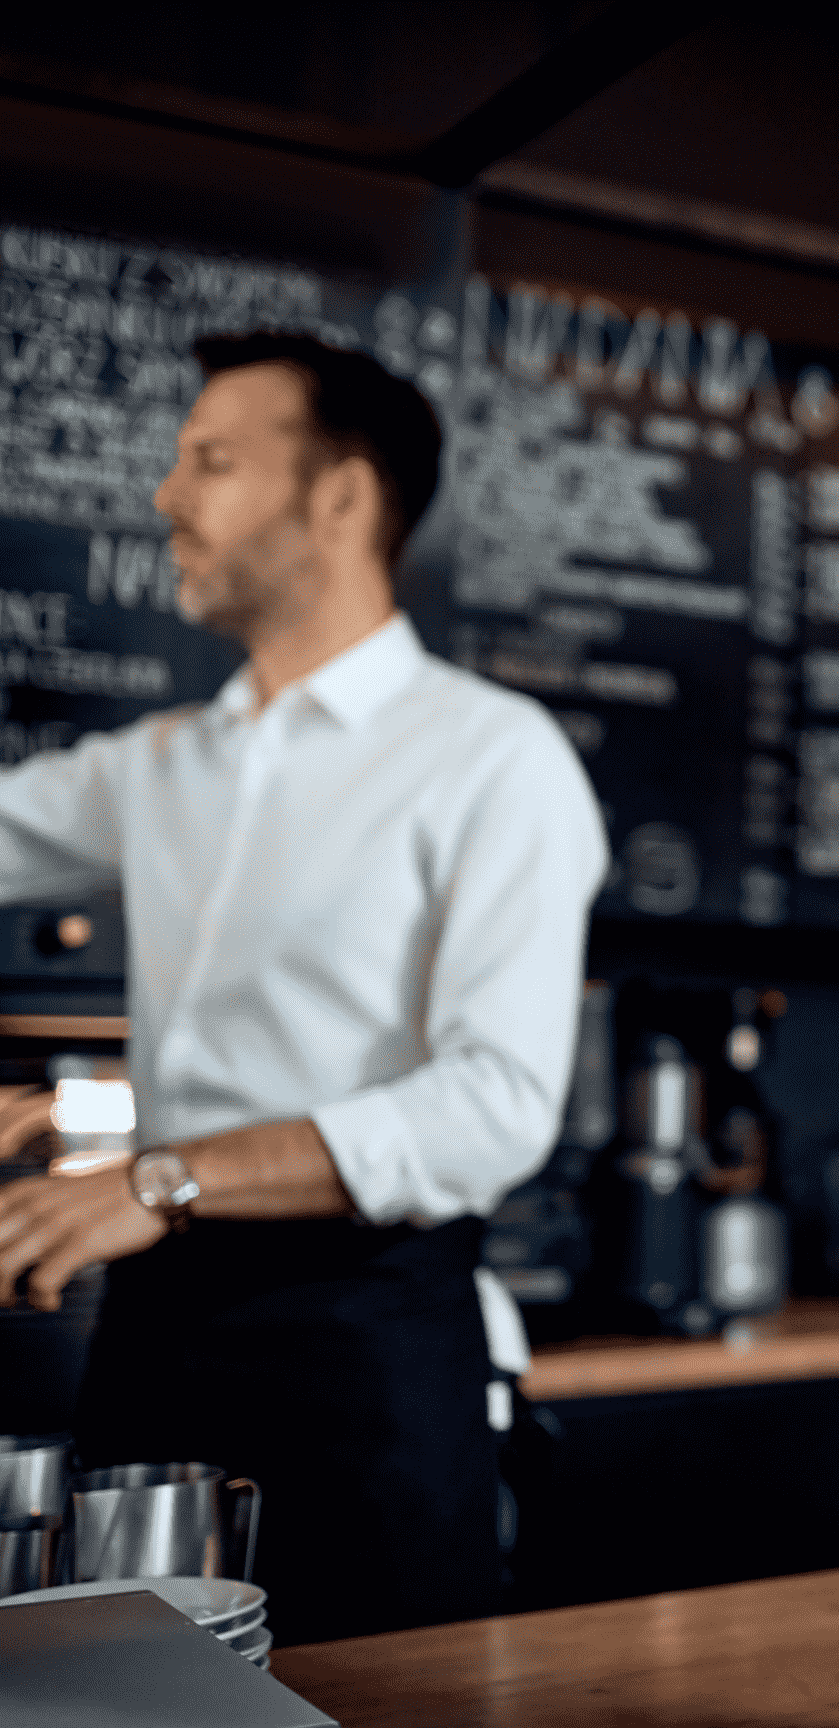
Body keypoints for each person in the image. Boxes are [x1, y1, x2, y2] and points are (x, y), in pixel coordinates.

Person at [0, 332, 606, 1644]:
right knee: (126, 1693)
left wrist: (156, 1177)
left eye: (211, 461)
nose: (166, 496)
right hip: (154, 1328)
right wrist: (98, 1143)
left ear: (339, 496)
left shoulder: (494, 760)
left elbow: (493, 1108)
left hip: (364, 1349)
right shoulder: (161, 762)